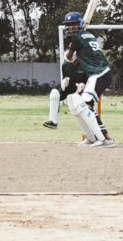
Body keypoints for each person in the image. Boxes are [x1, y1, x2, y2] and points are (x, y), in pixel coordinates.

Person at [43, 11, 114, 147]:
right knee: (79, 105)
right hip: (98, 74)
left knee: (85, 105)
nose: (70, 27)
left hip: (100, 73)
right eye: (68, 25)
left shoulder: (77, 38)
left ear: (80, 24)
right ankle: (91, 137)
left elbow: (69, 57)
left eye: (73, 24)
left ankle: (105, 139)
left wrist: (69, 54)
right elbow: (78, 60)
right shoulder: (88, 35)